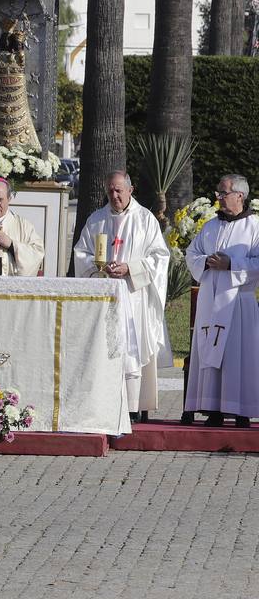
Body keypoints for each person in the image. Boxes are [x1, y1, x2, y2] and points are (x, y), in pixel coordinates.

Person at [73, 171, 171, 424]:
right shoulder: (96, 220)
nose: (114, 195)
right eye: (110, 191)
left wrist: (131, 268)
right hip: (106, 297)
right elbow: (81, 254)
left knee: (132, 350)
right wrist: (99, 267)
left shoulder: (145, 220)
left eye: (118, 190)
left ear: (131, 189)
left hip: (134, 296)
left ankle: (133, 407)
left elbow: (159, 257)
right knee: (106, 349)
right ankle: (106, 403)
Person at [184, 174, 259, 427]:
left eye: (223, 193)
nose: (219, 197)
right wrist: (204, 261)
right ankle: (212, 407)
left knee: (238, 356)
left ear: (240, 195)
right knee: (210, 351)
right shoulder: (210, 226)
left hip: (238, 302)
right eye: (218, 193)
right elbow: (192, 253)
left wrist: (231, 265)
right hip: (210, 300)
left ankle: (241, 410)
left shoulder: (255, 227)